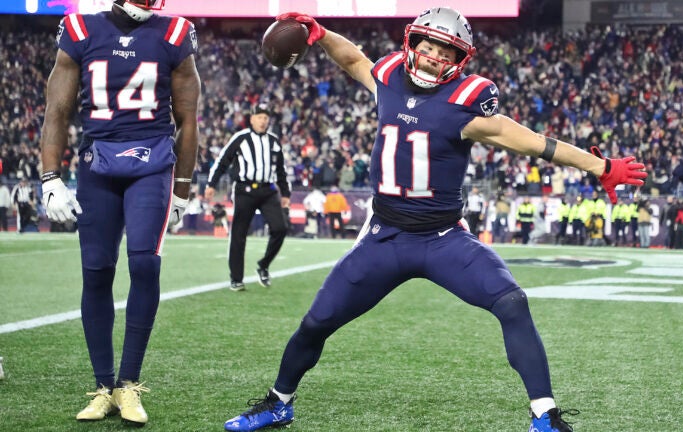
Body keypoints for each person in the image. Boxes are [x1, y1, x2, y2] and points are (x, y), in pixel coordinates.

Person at [222, 8, 646, 432]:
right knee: (317, 321)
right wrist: (320, 32)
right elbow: (353, 60)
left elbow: (536, 144)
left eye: (445, 52)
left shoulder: (467, 102)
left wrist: (600, 166)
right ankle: (279, 403)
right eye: (426, 47)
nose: (432, 58)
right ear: (412, 45)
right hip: (384, 237)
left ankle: (545, 416)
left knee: (513, 303)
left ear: (460, 59)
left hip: (443, 239)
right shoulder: (387, 75)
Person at [39, 0, 200, 425]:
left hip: (152, 164)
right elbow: (57, 109)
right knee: (95, 270)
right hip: (98, 165)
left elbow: (188, 119)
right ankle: (103, 385)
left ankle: (129, 385)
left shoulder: (174, 33)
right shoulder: (80, 29)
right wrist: (50, 176)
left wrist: (181, 189)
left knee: (145, 265)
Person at [205, 104, 291, 290]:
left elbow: (281, 170)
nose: (263, 121)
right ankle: (236, 278)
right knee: (239, 234)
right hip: (245, 190)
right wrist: (212, 184)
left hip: (268, 190)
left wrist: (285, 193)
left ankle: (263, 265)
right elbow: (222, 161)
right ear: (251, 119)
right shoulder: (241, 138)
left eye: (266, 118)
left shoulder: (274, 141)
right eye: (259, 117)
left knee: (280, 228)